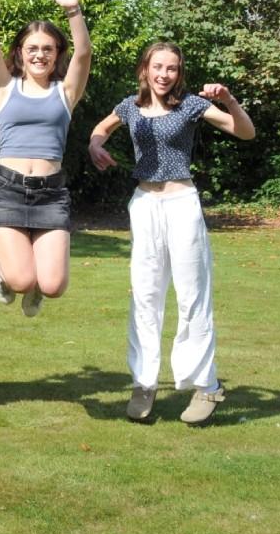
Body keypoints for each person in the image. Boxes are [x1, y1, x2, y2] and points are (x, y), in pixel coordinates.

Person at [87, 42, 255, 425]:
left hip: (182, 204)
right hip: (145, 204)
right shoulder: (129, 106)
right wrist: (96, 144)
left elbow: (244, 132)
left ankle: (205, 385)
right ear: (144, 69)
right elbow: (101, 127)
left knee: (193, 294)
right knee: (145, 295)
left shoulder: (191, 106)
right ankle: (144, 382)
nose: (165, 75)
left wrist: (229, 99)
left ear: (180, 74)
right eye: (158, 67)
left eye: (173, 69)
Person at [0, 0, 93, 316]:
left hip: (50, 192)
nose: (40, 54)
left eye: (48, 49)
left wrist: (73, 10)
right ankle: (7, 271)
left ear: (57, 54)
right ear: (20, 52)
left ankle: (36, 279)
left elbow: (84, 53)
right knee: (21, 281)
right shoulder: (3, 87)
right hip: (5, 188)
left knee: (54, 286)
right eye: (32, 48)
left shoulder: (66, 93)